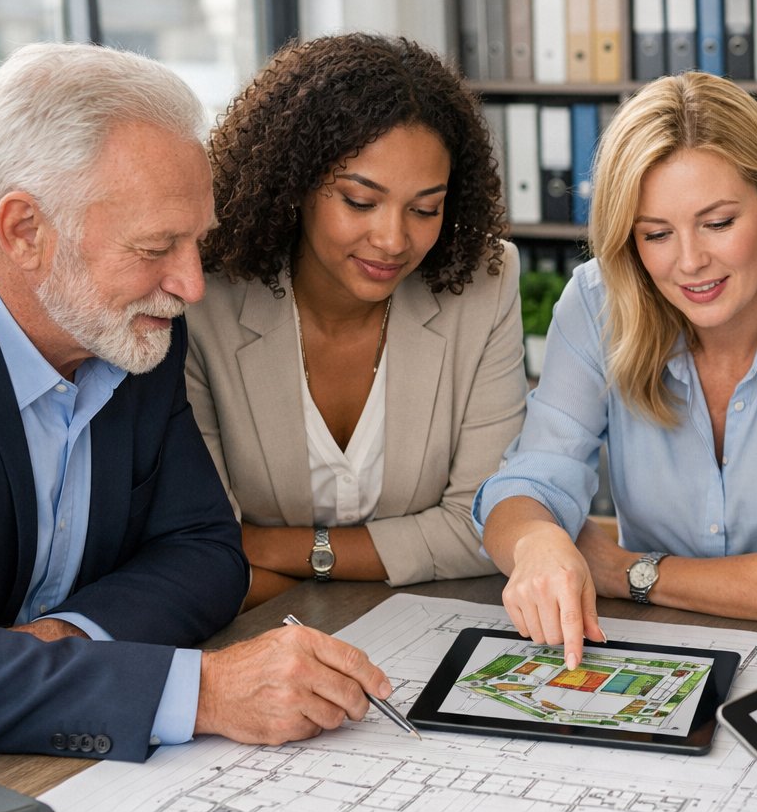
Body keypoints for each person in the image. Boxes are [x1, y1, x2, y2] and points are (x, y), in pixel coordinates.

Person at [0, 43, 392, 762]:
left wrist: (64, 645)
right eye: (155, 247)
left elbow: (206, 553)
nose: (191, 286)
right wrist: (200, 692)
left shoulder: (125, 325)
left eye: (196, 242)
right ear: (24, 231)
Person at [475, 72, 757, 663]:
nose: (689, 262)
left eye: (718, 223)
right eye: (656, 234)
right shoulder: (598, 303)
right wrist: (536, 541)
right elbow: (525, 485)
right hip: (653, 649)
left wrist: (625, 571)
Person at [187, 34, 527, 610]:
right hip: (254, 629)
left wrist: (279, 550)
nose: (394, 240)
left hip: (420, 625)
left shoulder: (483, 282)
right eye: (360, 201)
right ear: (295, 183)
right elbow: (202, 544)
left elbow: (483, 527)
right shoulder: (203, 299)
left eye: (425, 209)